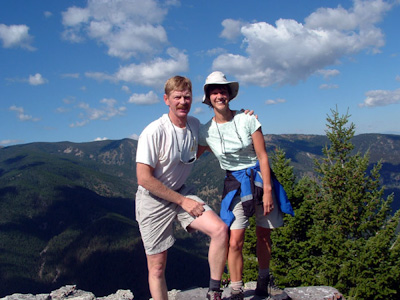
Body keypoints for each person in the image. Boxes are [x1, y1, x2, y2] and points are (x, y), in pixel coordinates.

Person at [135, 75, 229, 300]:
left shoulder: (194, 125)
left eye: (187, 97)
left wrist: (244, 115)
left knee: (220, 230)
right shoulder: (153, 131)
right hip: (153, 199)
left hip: (181, 190)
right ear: (166, 99)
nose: (183, 102)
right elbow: (143, 178)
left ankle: (214, 291)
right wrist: (183, 201)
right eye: (177, 97)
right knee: (157, 267)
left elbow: (217, 129)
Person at [198, 71, 285, 299]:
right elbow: (191, 156)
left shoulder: (248, 119)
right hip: (235, 185)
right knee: (235, 240)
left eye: (223, 91)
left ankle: (264, 282)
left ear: (229, 95)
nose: (219, 95)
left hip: (259, 178)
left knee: (264, 235)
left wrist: (267, 191)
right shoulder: (205, 131)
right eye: (215, 92)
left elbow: (263, 156)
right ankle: (236, 288)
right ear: (209, 98)